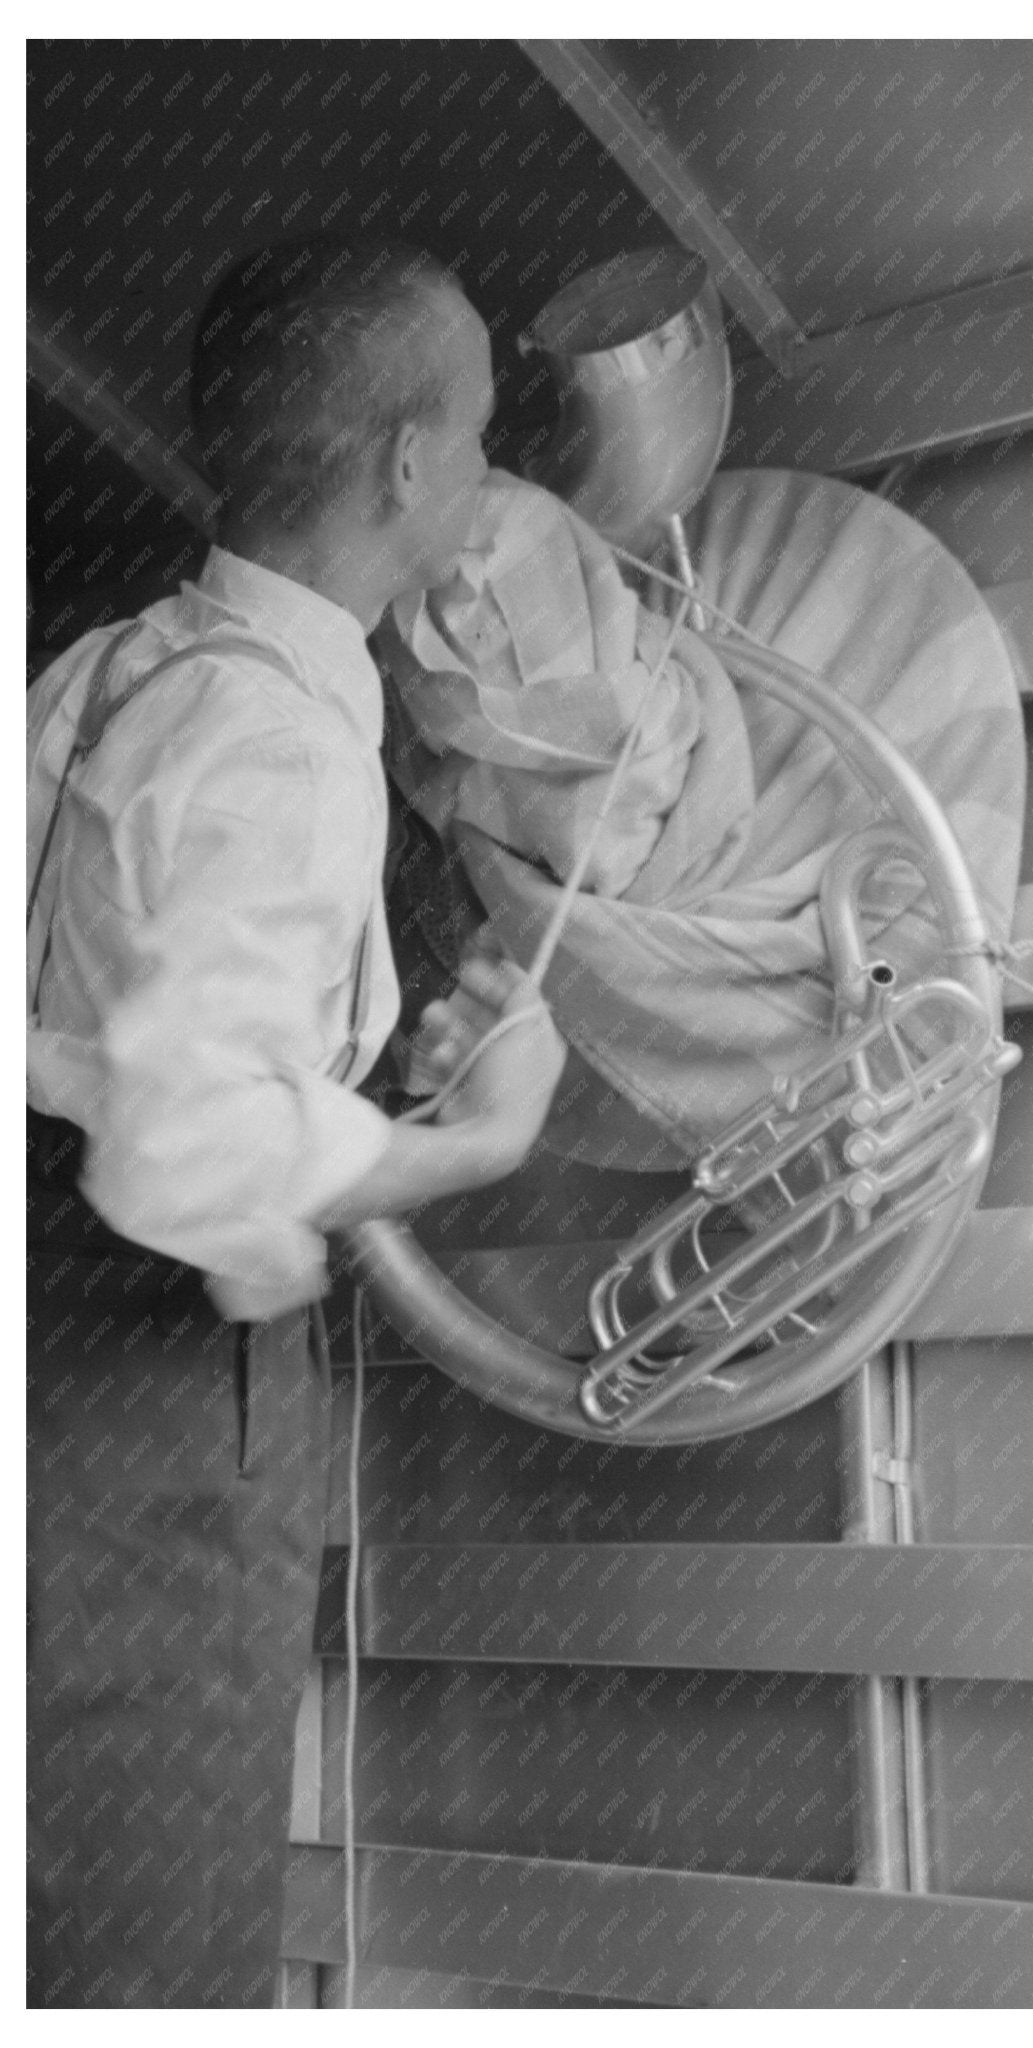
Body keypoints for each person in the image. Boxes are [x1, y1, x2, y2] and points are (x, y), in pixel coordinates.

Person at [26, 237, 566, 2009]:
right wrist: (465, 1147)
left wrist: (338, 1080)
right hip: (140, 1375)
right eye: (477, 432)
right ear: (407, 466)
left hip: (46, 1324)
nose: (486, 467)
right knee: (138, 1933)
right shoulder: (283, 739)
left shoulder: (110, 667)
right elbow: (182, 1147)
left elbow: (110, 1039)